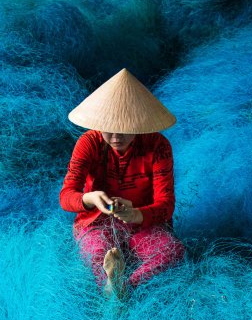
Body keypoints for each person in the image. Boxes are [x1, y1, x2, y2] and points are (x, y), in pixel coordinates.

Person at [60, 69, 184, 297]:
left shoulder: (158, 145)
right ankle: (109, 280)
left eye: (125, 127)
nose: (117, 136)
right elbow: (66, 196)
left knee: (172, 251)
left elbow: (166, 205)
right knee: (97, 251)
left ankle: (121, 288)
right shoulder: (88, 143)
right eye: (109, 128)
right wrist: (91, 198)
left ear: (139, 122)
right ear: (98, 123)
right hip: (96, 222)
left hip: (143, 223)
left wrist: (136, 214)